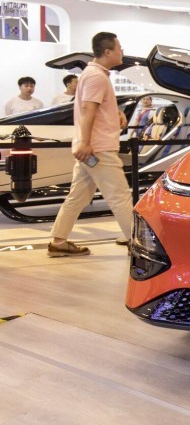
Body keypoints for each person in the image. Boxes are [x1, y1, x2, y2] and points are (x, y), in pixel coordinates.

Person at [47, 32, 133, 257]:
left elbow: (94, 105)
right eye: (119, 48)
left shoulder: (93, 74)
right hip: (98, 148)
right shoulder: (96, 76)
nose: (121, 51)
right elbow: (87, 109)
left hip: (90, 148)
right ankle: (140, 245)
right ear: (107, 52)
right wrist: (85, 142)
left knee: (78, 196)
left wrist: (115, 112)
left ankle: (58, 241)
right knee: (120, 195)